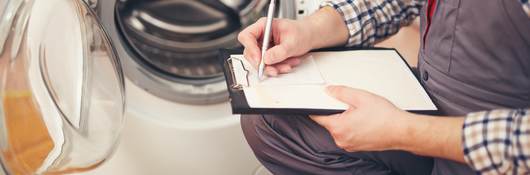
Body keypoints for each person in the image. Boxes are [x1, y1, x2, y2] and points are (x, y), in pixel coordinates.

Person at [237, 0, 530, 174]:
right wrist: (310, 30)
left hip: (492, 152)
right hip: (435, 103)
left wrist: (403, 132)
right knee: (271, 123)